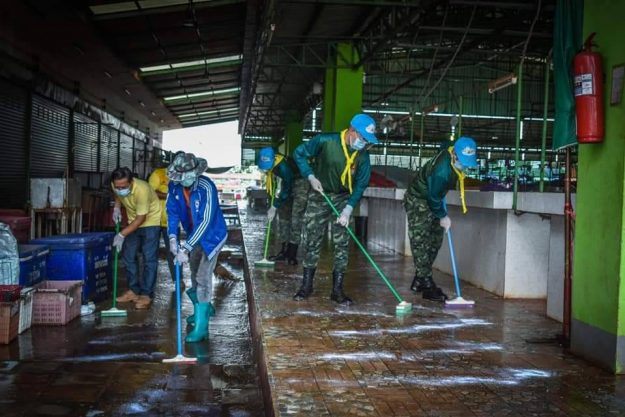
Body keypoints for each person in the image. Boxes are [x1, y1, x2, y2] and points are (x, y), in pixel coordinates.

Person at [292, 113, 379, 305]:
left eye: (367, 140)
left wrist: (348, 208)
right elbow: (298, 153)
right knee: (312, 238)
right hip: (320, 193)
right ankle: (306, 286)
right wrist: (310, 176)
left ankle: (337, 290)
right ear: (352, 131)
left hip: (343, 198)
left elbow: (361, 184)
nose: (364, 143)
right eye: (363, 138)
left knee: (342, 242)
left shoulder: (363, 155)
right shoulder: (326, 141)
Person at [403, 136, 478, 302]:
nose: (465, 165)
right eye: (463, 161)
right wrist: (443, 216)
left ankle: (420, 279)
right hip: (418, 199)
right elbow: (433, 198)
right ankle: (427, 284)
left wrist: (441, 214)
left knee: (435, 240)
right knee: (421, 241)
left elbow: (445, 144)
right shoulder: (442, 172)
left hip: (433, 197)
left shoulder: (450, 151)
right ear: (454, 155)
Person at [166, 151, 227, 343]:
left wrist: (186, 248)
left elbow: (206, 220)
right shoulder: (174, 186)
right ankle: (202, 310)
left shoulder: (206, 187)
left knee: (203, 277)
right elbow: (172, 212)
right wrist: (173, 237)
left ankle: (202, 328)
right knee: (193, 274)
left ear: (195, 172)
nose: (184, 179)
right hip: (194, 234)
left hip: (213, 236)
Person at [111, 167, 162, 309]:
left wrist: (121, 234)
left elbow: (141, 219)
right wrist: (116, 207)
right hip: (133, 220)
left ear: (131, 182)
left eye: (123, 187)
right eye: (117, 187)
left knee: (149, 258)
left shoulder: (142, 189)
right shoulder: (116, 184)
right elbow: (117, 194)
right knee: (128, 256)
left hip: (150, 221)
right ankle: (133, 291)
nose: (120, 189)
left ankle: (146, 294)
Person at [258, 147, 309, 265]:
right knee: (283, 216)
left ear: (273, 160)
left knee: (296, 218)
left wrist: (274, 206)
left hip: (301, 183)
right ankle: (283, 251)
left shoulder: (283, 167)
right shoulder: (268, 159)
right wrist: (277, 204)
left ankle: (292, 254)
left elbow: (287, 188)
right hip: (287, 182)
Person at [148, 160, 178, 288]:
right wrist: (168, 196)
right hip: (153, 220)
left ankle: (178, 280)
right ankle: (149, 284)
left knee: (174, 252)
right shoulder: (158, 174)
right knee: (150, 253)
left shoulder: (181, 178)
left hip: (171, 222)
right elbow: (149, 192)